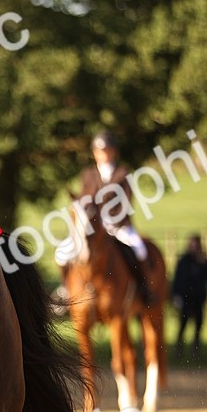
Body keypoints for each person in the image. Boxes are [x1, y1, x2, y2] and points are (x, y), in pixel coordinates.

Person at [54, 131, 152, 307]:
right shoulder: (88, 174)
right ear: (94, 153)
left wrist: (111, 223)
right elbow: (84, 201)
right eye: (99, 151)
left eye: (106, 150)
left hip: (118, 225)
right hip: (92, 227)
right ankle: (66, 289)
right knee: (61, 254)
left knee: (139, 249)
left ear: (113, 152)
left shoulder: (122, 174)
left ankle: (143, 288)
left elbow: (126, 203)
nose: (103, 154)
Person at [171, 234, 207, 357]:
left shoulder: (202, 260)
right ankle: (178, 350)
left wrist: (204, 264)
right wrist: (176, 295)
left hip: (198, 299)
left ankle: (195, 351)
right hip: (186, 298)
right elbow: (178, 279)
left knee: (198, 325)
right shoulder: (184, 260)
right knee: (182, 325)